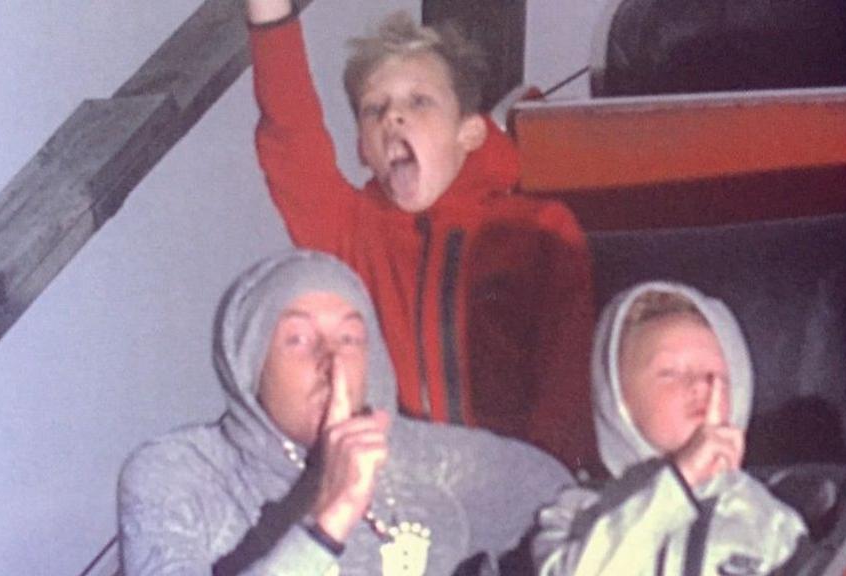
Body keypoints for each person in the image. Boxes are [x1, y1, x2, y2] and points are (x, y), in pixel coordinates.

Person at [245, 0, 598, 473]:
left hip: (523, 485)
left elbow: (567, 379)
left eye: (419, 101)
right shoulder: (350, 232)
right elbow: (290, 135)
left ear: (469, 133)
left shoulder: (537, 229)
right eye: (375, 109)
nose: (394, 117)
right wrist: (269, 13)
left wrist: (537, 486)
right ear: (363, 151)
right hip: (406, 493)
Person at [118, 250, 573, 575]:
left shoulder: (439, 462)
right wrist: (330, 516)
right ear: (250, 362)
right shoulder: (182, 474)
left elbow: (577, 515)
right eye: (297, 339)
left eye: (349, 339)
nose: (330, 361)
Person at [532, 282, 807, 575]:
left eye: (716, 375)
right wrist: (677, 485)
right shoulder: (576, 513)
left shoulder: (769, 521)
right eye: (670, 373)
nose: (701, 385)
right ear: (618, 397)